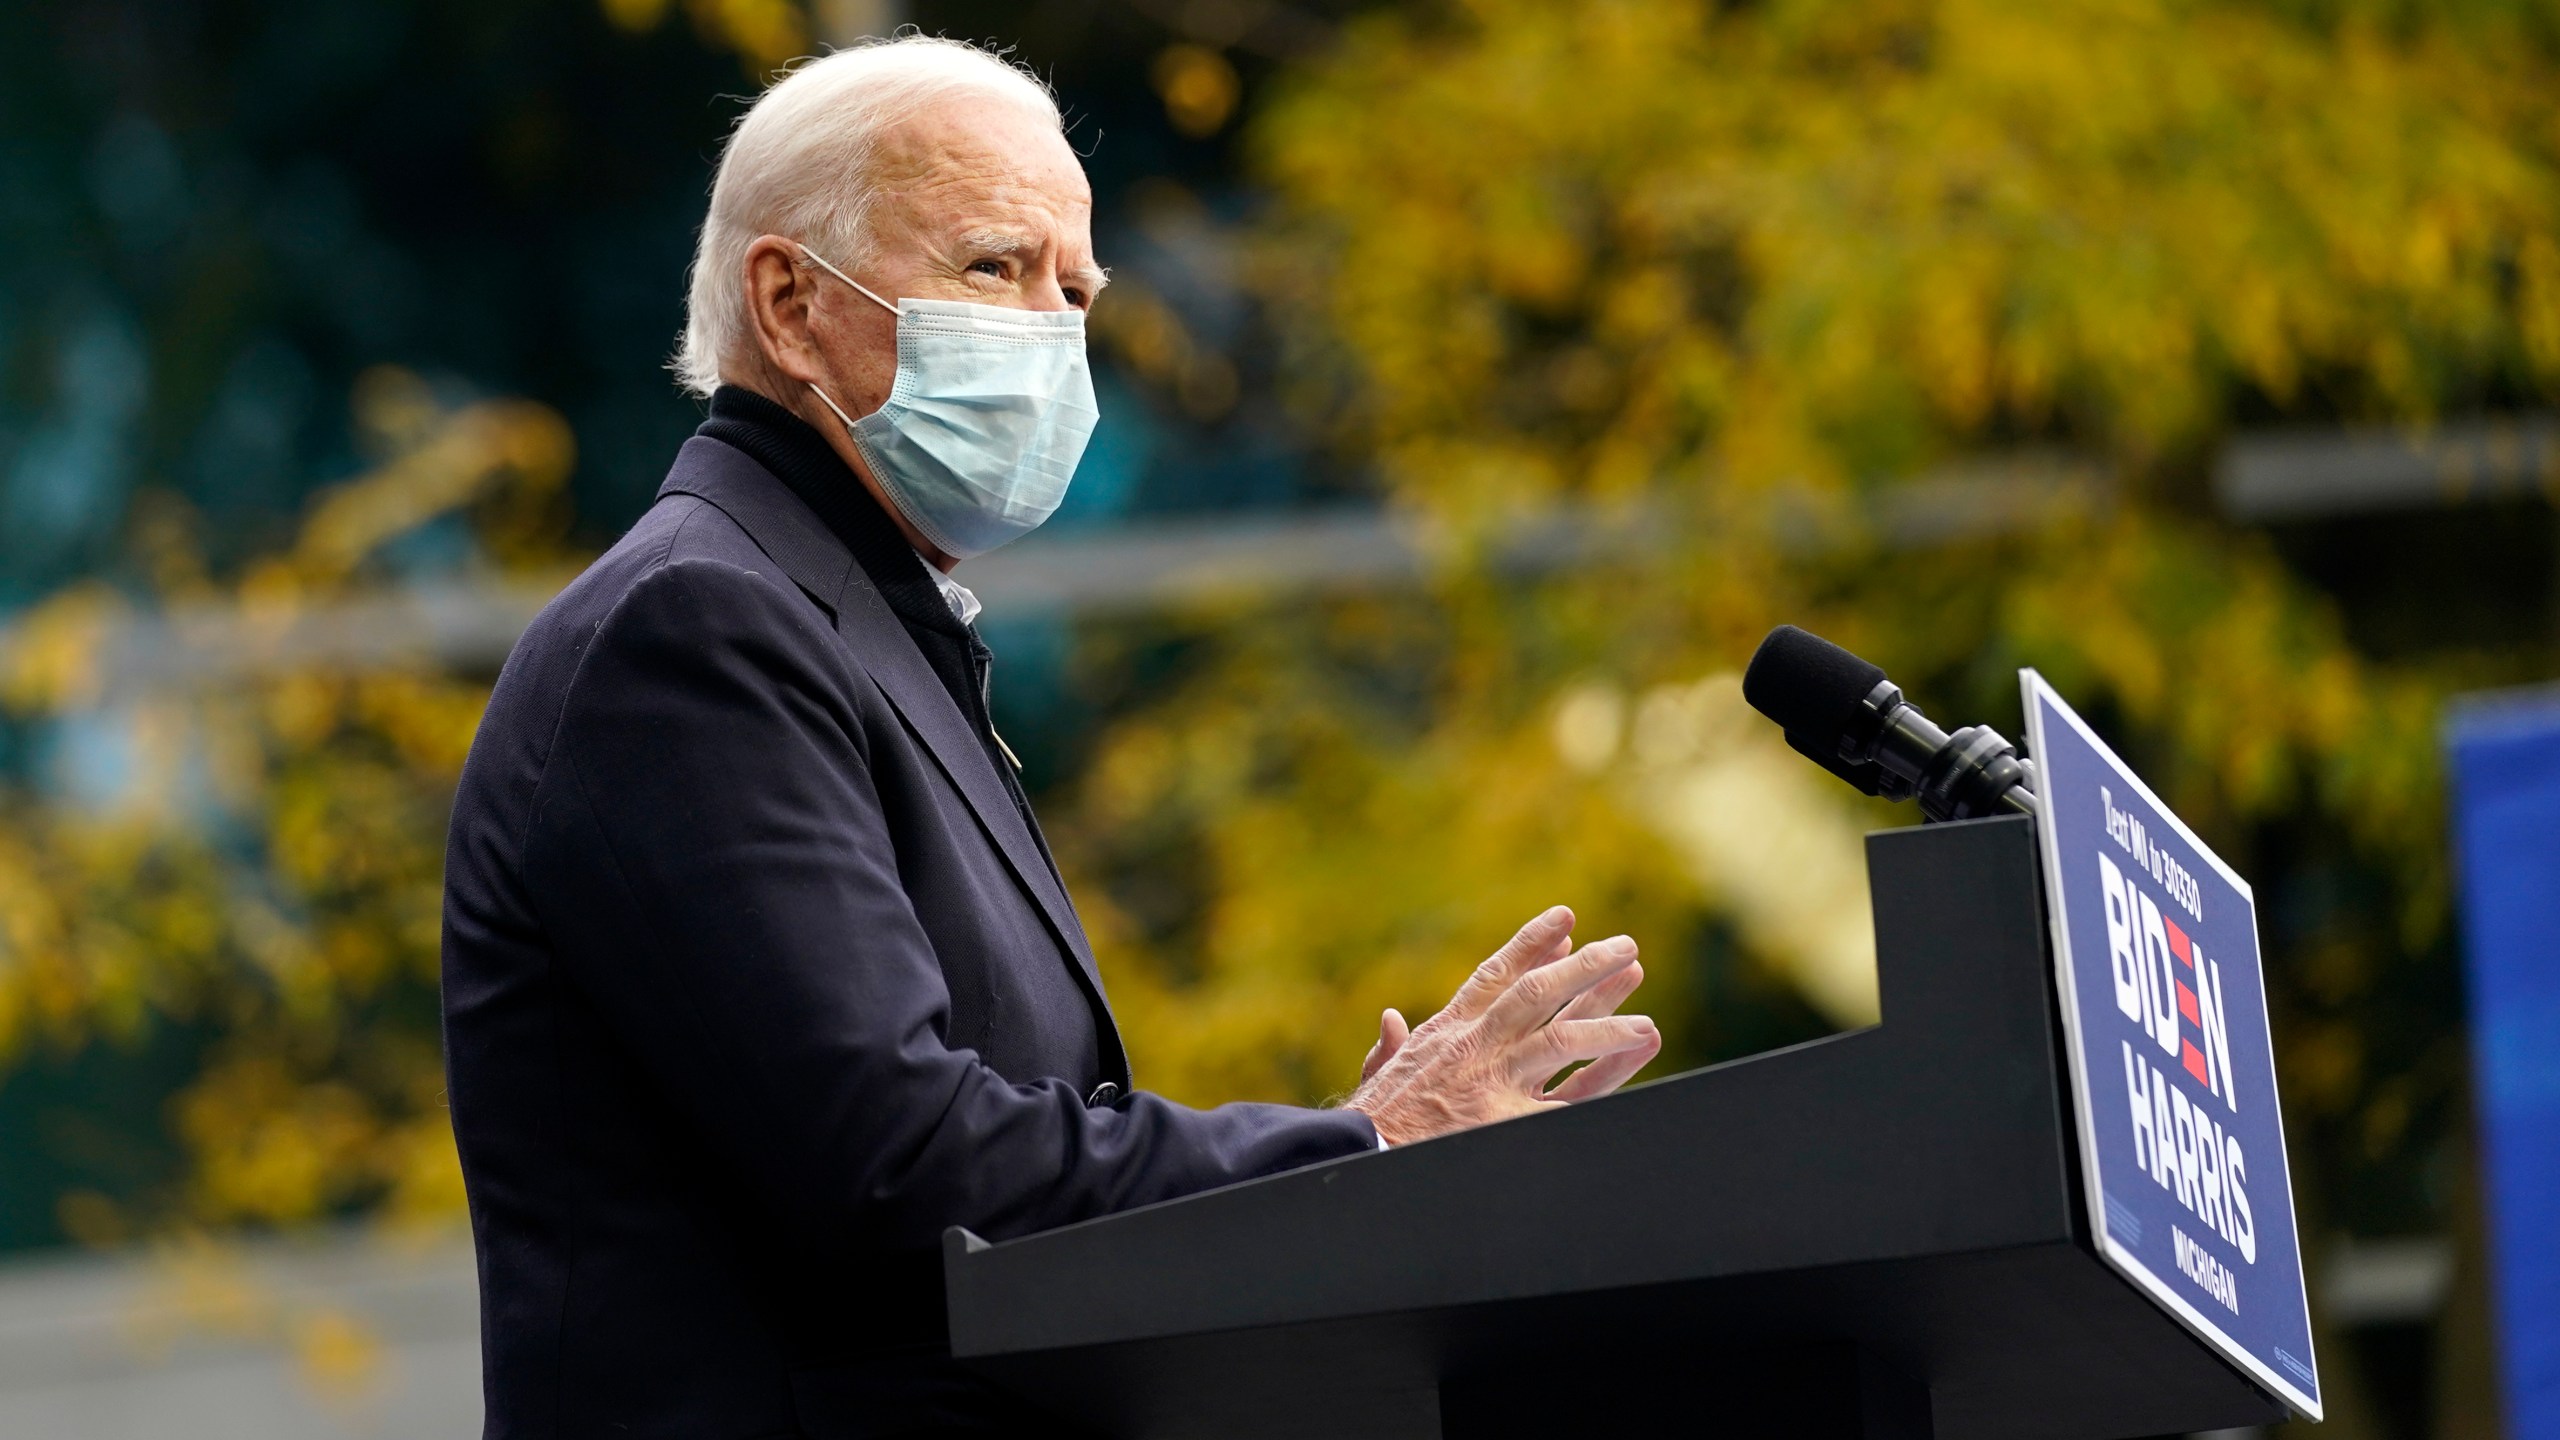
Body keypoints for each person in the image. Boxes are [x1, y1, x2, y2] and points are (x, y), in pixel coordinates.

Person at [439, 35, 1660, 1439]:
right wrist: (1368, 1145)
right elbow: (904, 1162)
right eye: (992, 268)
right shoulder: (699, 631)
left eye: (1074, 292)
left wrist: (1345, 1160)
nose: (1049, 331)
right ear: (788, 303)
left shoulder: (863, 623)